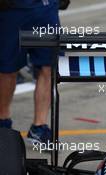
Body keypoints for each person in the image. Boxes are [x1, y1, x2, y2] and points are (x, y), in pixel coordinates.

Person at [0, 0, 60, 145]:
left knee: (49, 66)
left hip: (46, 7)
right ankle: (3, 121)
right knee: (7, 69)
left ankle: (39, 127)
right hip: (12, 9)